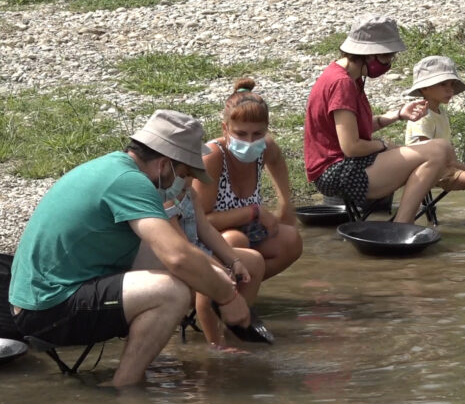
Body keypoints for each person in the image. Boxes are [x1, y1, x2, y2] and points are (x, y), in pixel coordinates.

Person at [9, 110, 251, 387]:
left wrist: (218, 273)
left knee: (175, 267)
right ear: (163, 165)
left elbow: (174, 251)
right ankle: (124, 388)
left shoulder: (114, 168)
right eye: (182, 173)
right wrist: (228, 299)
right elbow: (178, 256)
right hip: (46, 310)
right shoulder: (131, 183)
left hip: (43, 296)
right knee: (171, 292)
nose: (182, 183)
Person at [304, 14, 454, 223]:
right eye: (386, 57)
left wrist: (398, 114)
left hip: (346, 166)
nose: (388, 63)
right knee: (438, 150)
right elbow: (351, 147)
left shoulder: (349, 78)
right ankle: (401, 225)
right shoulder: (342, 83)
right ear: (368, 54)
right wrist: (383, 145)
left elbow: (353, 129)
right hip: (338, 172)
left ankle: (401, 222)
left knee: (439, 149)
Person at [193, 78, 303, 281]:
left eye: (257, 133)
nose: (249, 142)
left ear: (266, 129)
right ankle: (220, 296)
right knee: (236, 241)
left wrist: (285, 203)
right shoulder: (213, 157)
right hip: (207, 238)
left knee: (291, 240)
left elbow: (277, 160)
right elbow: (201, 222)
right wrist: (254, 212)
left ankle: (244, 289)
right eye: (241, 134)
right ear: (225, 129)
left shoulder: (264, 148)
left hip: (245, 229)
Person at [162, 174, 266, 348]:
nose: (195, 177)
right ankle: (216, 344)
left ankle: (236, 324)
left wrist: (234, 261)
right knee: (211, 280)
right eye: (188, 172)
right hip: (180, 263)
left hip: (200, 252)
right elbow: (183, 248)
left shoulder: (190, 192)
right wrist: (220, 269)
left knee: (255, 261)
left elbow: (206, 230)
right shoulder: (165, 200)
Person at [404, 55, 465, 227]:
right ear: (424, 89)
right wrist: (463, 167)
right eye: (443, 84)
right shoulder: (422, 115)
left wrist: (459, 166)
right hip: (427, 168)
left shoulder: (440, 111)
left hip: (445, 164)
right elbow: (425, 151)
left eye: (452, 85)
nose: (450, 90)